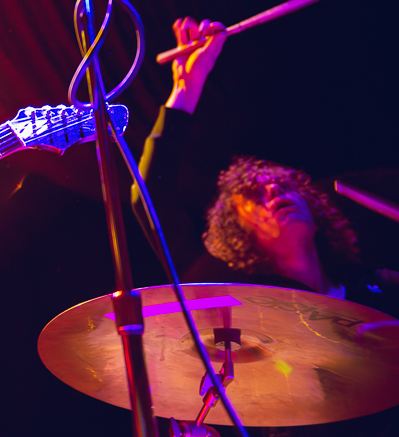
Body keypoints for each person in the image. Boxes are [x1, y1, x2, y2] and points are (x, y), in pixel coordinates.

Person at [133, 16, 397, 311]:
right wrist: (187, 86)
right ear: (241, 236)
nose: (273, 190)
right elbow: (150, 195)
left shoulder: (378, 287)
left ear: (315, 216)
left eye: (285, 186)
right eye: (255, 197)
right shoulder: (238, 304)